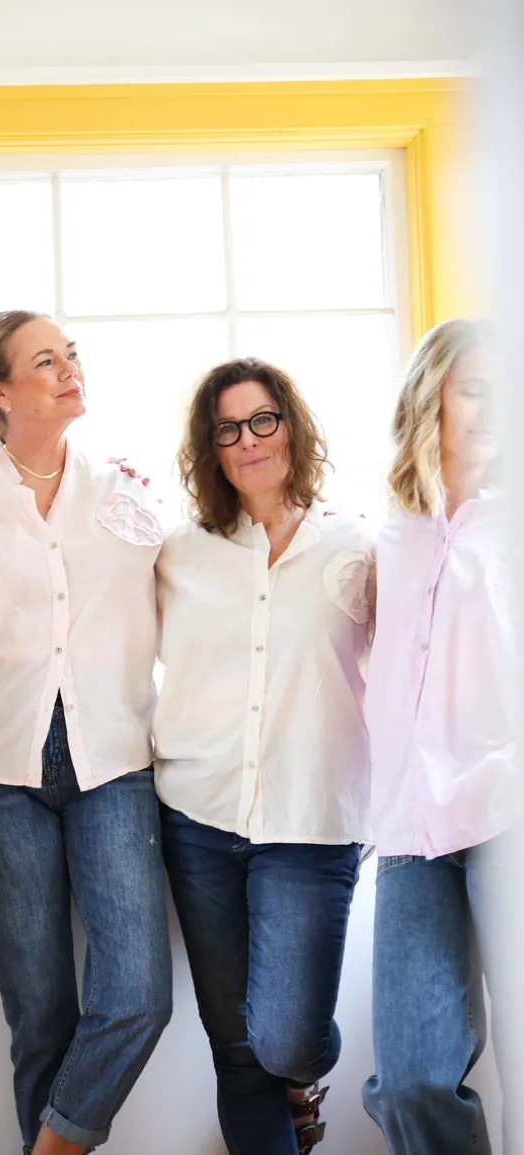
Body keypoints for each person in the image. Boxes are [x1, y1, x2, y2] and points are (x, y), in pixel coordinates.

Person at [0, 310, 172, 1155]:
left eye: (71, 355)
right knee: (40, 1015)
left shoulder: (125, 490)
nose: (70, 369)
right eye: (45, 361)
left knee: (138, 995)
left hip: (114, 760)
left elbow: (187, 589)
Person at [153, 357, 374, 1155]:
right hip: (199, 817)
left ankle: (304, 1080)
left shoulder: (356, 546)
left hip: (311, 822)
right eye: (227, 429)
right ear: (209, 449)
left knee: (285, 1040)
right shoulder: (178, 552)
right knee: (238, 1051)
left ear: (291, 427)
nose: (247, 440)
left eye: (262, 420)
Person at [362, 319, 517, 1155]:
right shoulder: (378, 539)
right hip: (411, 831)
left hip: (508, 817)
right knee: (412, 1076)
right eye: (476, 390)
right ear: (432, 398)